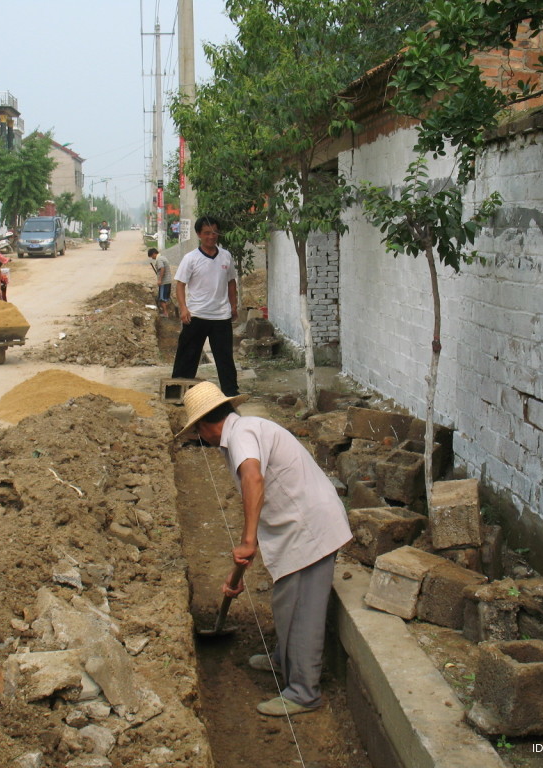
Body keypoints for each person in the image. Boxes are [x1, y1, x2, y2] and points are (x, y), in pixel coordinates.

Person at [177, 381, 352, 717]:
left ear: (204, 424)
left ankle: (303, 692)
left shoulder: (241, 434)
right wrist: (248, 548)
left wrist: (246, 541)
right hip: (297, 524)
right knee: (287, 600)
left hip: (309, 527)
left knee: (302, 609)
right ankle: (283, 661)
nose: (202, 440)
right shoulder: (245, 428)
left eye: (198, 431)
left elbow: (253, 480)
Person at [171, 215, 239, 396]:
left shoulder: (226, 256)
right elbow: (180, 284)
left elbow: (231, 282)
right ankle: (178, 393)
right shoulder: (190, 258)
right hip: (196, 316)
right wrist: (184, 308)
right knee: (187, 356)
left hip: (221, 317)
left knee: (225, 358)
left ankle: (231, 393)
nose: (211, 236)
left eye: (215, 232)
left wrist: (233, 305)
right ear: (199, 234)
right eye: (207, 233)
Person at [148, 247, 172, 317]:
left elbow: (162, 268)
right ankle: (166, 312)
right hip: (168, 281)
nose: (152, 258)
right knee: (165, 298)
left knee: (162, 299)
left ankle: (165, 313)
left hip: (164, 282)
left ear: (154, 253)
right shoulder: (163, 257)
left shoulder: (159, 259)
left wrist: (160, 279)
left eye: (151, 256)